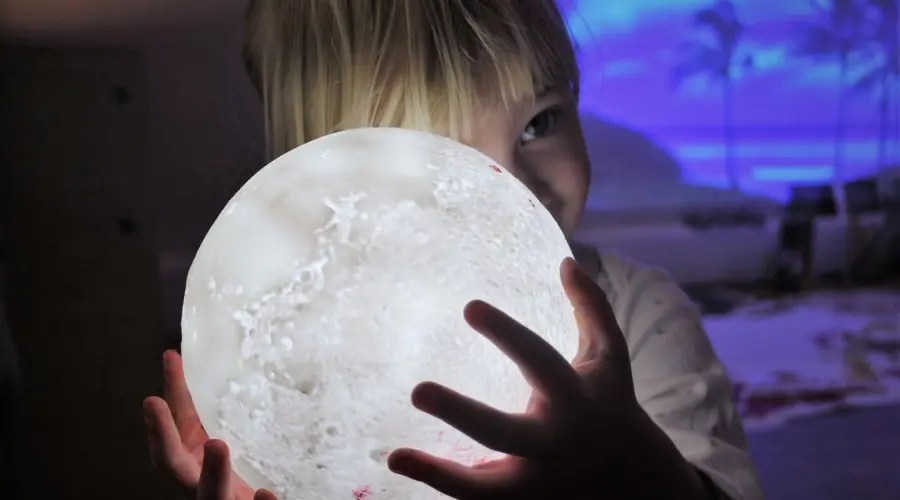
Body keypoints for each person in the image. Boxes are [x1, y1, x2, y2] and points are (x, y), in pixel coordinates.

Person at [143, 1, 763, 499]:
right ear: (325, 177)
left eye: (539, 123)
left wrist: (625, 467)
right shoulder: (291, 359)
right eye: (441, 155)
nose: (509, 188)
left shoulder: (635, 317)